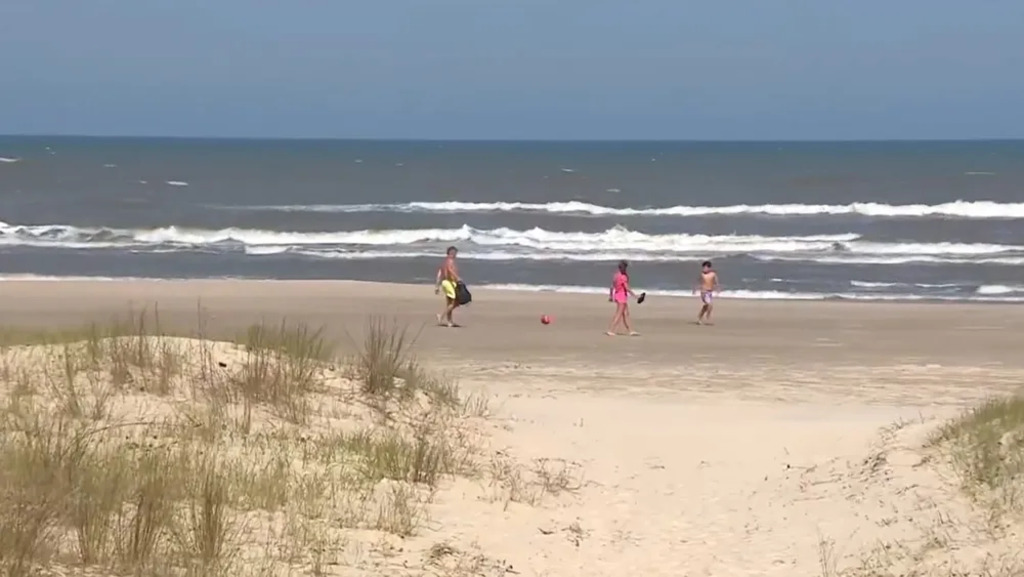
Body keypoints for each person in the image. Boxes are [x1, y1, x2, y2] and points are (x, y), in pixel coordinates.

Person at [606, 260, 639, 336]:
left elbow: (612, 286)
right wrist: (635, 296)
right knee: (619, 314)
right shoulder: (623, 276)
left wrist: (611, 296)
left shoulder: (616, 275)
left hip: (617, 295)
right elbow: (627, 288)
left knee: (626, 314)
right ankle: (611, 330)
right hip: (621, 296)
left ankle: (630, 330)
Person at [434, 246, 461, 327]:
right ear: (451, 253)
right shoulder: (450, 261)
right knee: (455, 302)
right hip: (449, 283)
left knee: (450, 303)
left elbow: (439, 275)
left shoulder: (445, 262)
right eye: (455, 253)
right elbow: (450, 270)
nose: (456, 255)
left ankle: (449, 321)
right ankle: (441, 315)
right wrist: (457, 277)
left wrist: (437, 286)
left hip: (446, 283)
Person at [694, 260, 719, 325]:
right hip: (703, 291)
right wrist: (695, 289)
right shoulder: (702, 274)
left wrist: (717, 289)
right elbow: (698, 282)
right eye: (703, 267)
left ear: (709, 268)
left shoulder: (713, 274)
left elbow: (716, 282)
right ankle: (708, 315)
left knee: (706, 306)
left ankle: (700, 317)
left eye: (706, 267)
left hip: (710, 292)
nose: (704, 269)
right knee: (709, 304)